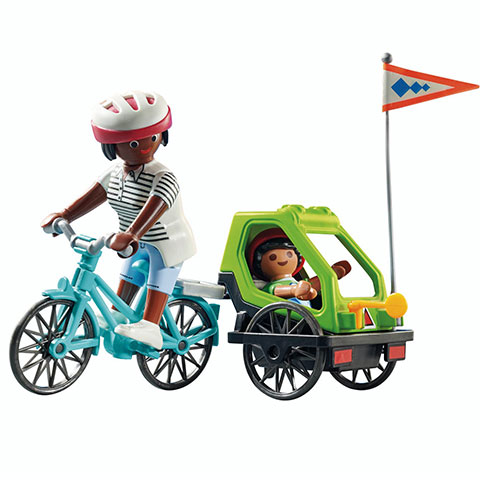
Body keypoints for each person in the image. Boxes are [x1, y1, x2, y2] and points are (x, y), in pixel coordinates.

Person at [41, 91, 196, 349]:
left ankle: (151, 326)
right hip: (133, 242)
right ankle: (118, 314)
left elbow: (155, 206)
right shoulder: (115, 172)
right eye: (132, 143)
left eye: (152, 137)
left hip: (167, 242)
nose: (144, 146)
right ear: (112, 145)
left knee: (157, 277)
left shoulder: (164, 177)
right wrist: (65, 215)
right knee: (129, 275)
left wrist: (133, 233)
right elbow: (94, 195)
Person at [247, 228, 350, 305]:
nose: (283, 259)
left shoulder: (297, 282)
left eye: (289, 254)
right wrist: (294, 290)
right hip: (288, 318)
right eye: (272, 257)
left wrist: (331, 275)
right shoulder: (271, 287)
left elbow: (311, 285)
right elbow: (278, 291)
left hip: (305, 317)